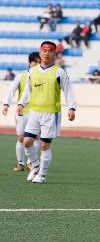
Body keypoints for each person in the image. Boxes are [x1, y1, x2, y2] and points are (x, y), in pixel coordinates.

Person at [16, 41, 77, 183]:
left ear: (54, 53)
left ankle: (42, 175)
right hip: (34, 113)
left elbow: (69, 91)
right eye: (44, 50)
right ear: (40, 52)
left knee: (44, 145)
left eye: (50, 51)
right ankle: (35, 165)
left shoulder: (59, 72)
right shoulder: (32, 71)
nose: (46, 53)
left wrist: (72, 108)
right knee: (27, 142)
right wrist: (21, 104)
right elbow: (27, 91)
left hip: (51, 113)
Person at [2, 52, 41, 172]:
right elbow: (11, 90)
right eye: (35, 62)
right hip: (22, 112)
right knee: (21, 138)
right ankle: (20, 163)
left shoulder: (42, 76)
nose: (37, 65)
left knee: (36, 138)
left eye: (39, 63)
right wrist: (6, 104)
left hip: (37, 112)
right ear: (30, 63)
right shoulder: (21, 76)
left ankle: (31, 162)